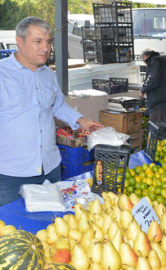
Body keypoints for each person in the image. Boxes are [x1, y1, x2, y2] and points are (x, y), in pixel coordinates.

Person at [0, 17, 103, 206]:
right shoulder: (2, 74)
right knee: (12, 229)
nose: (46, 48)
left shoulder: (48, 74)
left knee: (54, 225)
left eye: (48, 41)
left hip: (50, 168)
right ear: (20, 41)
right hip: (11, 175)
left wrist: (81, 120)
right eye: (38, 41)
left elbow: (58, 106)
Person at [140, 49, 166, 122]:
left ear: (145, 56)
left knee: (156, 130)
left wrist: (143, 90)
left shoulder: (155, 62)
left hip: (159, 106)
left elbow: (153, 79)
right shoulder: (164, 61)